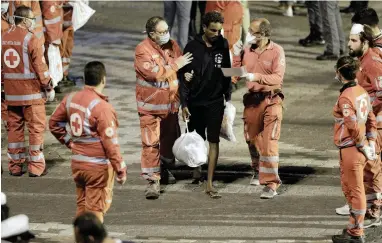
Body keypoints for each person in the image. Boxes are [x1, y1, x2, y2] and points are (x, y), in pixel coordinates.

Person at [49, 61, 127, 222]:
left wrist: (70, 142)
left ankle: (80, 237)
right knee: (95, 209)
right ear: (103, 80)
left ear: (85, 79)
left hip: (78, 163)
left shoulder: (71, 99)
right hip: (97, 167)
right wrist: (120, 168)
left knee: (82, 206)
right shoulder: (102, 108)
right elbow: (110, 143)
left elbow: (53, 123)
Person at [134, 16, 192, 199]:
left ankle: (164, 169)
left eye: (167, 30)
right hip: (150, 107)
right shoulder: (142, 50)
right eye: (162, 32)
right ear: (152, 34)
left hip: (170, 107)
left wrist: (186, 75)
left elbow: (180, 71)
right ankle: (153, 181)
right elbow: (155, 75)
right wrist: (177, 65)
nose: (167, 34)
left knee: (170, 142)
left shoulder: (173, 46)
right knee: (150, 144)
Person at [179, 11, 232, 198]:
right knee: (197, 138)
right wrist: (183, 103)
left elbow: (227, 70)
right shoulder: (192, 46)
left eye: (219, 31)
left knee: (214, 140)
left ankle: (209, 182)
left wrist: (230, 93)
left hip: (215, 101)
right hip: (195, 101)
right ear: (203, 28)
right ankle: (197, 169)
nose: (216, 34)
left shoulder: (223, 44)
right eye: (212, 30)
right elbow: (183, 77)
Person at [232, 18, 285, 199]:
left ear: (263, 34)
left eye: (252, 31)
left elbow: (277, 78)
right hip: (252, 101)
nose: (249, 34)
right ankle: (257, 170)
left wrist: (255, 76)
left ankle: (271, 184)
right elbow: (235, 75)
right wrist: (236, 57)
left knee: (269, 143)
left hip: (272, 101)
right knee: (251, 140)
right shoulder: (246, 49)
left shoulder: (277, 51)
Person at [1, 6, 54, 177]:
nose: (33, 23)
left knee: (14, 130)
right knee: (36, 129)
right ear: (24, 20)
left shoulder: (4, 37)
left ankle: (15, 166)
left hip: (11, 95)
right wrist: (48, 85)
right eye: (32, 20)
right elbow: (40, 66)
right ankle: (36, 167)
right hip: (32, 94)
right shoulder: (31, 39)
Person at [331, 56, 376, 243]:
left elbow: (352, 124)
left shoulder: (346, 97)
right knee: (351, 189)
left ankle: (357, 233)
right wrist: (371, 142)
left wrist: (362, 144)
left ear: (340, 73)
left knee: (355, 191)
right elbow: (371, 119)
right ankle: (352, 227)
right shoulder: (361, 92)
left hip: (352, 149)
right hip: (357, 148)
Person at [345, 23, 382, 228]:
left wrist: (365, 108)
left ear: (365, 42)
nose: (349, 44)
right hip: (370, 121)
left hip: (376, 123)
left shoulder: (372, 62)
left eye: (353, 41)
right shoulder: (363, 59)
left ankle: (375, 210)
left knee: (372, 166)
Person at [41, 1, 64, 93]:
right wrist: (53, 38)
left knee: (52, 62)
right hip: (50, 38)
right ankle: (50, 86)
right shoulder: (48, 3)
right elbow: (49, 20)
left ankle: (52, 84)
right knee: (48, 61)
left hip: (52, 36)